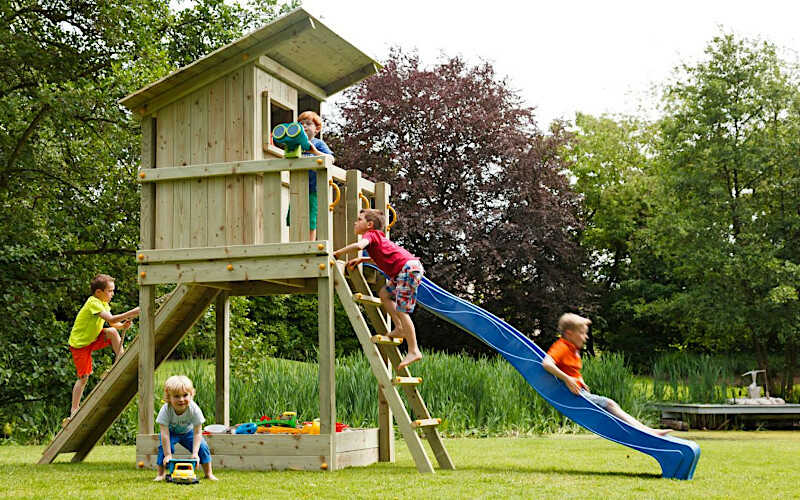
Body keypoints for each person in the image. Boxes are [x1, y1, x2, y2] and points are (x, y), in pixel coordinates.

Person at [542, 313, 671, 436]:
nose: (585, 337)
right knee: (610, 404)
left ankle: (645, 430)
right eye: (582, 333)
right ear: (569, 333)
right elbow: (547, 363)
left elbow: (570, 370)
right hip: (574, 397)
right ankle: (646, 431)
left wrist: (580, 381)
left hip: (580, 392)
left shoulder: (571, 349)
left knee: (610, 404)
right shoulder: (562, 347)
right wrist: (567, 379)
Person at [333, 209, 424, 370]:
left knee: (403, 310)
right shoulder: (378, 238)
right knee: (384, 294)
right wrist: (363, 259)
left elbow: (358, 245)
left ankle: (413, 350)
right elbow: (384, 256)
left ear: (369, 225)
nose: (355, 222)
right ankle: (399, 327)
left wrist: (338, 253)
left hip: (407, 270)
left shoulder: (370, 235)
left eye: (359, 219)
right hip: (404, 270)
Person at [68, 274, 140, 419]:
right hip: (80, 345)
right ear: (98, 292)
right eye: (110, 291)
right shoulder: (93, 302)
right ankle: (74, 409)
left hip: (92, 339)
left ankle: (121, 358)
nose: (112, 294)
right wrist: (133, 312)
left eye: (113, 291)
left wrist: (122, 326)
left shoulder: (104, 304)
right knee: (83, 378)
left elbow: (113, 324)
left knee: (112, 332)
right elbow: (112, 318)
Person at [153, 375, 218, 481]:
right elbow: (164, 434)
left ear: (191, 394)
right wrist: (168, 454)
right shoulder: (165, 410)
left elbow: (197, 433)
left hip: (189, 432)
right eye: (176, 396)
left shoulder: (194, 409)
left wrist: (195, 453)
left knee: (203, 446)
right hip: (171, 433)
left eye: (185, 395)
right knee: (162, 448)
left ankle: (209, 473)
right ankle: (161, 474)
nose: (181, 399)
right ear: (168, 397)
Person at [295, 110, 335, 240]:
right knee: (295, 216)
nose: (304, 126)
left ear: (317, 129)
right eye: (301, 124)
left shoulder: (318, 143)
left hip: (314, 188)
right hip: (297, 187)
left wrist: (315, 151)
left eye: (308, 124)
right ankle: (296, 241)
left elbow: (331, 159)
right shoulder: (296, 145)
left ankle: (310, 242)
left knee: (311, 218)